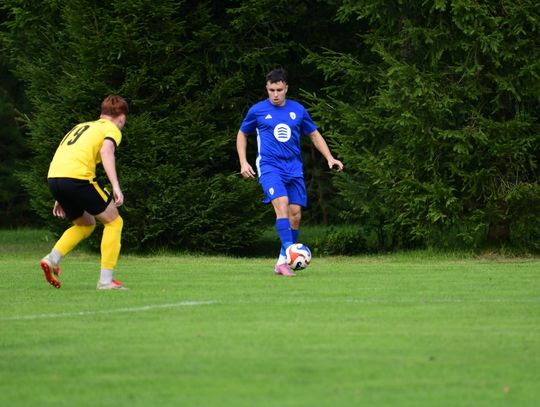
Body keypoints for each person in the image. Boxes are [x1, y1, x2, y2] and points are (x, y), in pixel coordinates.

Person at [236, 68, 344, 277]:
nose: (275, 94)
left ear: (286, 88)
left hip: (294, 168)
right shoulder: (257, 110)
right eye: (271, 90)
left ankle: (281, 262)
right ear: (267, 89)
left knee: (295, 215)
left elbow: (314, 134)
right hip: (269, 166)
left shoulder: (298, 110)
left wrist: (330, 158)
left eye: (279, 90)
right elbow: (242, 133)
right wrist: (243, 162)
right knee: (282, 203)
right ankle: (290, 252)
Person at [39, 95, 129, 290]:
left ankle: (52, 259)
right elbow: (106, 151)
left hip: (55, 178)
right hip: (77, 178)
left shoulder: (82, 126)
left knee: (85, 224)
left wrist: (61, 193)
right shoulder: (111, 129)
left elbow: (64, 154)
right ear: (121, 117)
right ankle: (105, 281)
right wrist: (115, 185)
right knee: (114, 221)